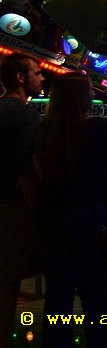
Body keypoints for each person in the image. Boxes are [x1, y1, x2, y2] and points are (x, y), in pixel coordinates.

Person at [32, 73, 107, 348]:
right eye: (90, 89)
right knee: (94, 293)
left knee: (58, 293)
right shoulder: (97, 128)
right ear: (81, 96)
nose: (94, 93)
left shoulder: (43, 130)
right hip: (89, 218)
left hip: (50, 218)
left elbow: (39, 172)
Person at [0, 52, 44, 348]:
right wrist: (38, 210)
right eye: (37, 73)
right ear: (20, 77)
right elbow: (26, 171)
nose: (42, 78)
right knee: (8, 280)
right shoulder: (25, 114)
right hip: (12, 207)